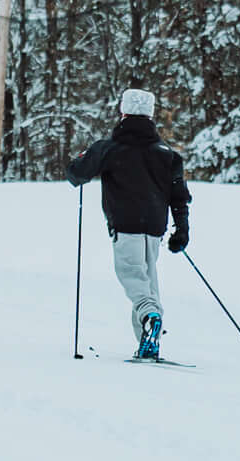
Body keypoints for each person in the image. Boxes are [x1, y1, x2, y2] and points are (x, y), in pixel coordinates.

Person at [69, 89, 190, 360]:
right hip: (155, 228)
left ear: (123, 112)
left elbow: (76, 174)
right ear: (150, 115)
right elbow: (180, 196)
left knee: (133, 277)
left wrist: (80, 160)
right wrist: (181, 230)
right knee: (148, 282)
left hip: (125, 224)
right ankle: (148, 343)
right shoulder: (166, 154)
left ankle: (149, 316)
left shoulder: (109, 148)